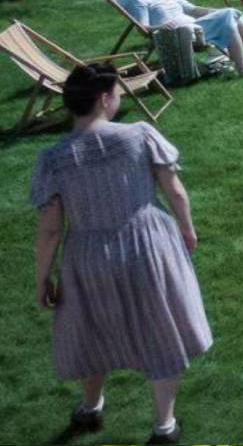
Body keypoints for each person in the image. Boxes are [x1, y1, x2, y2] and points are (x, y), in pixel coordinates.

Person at [33, 64, 211, 445]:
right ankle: (164, 427)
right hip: (148, 245)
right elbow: (175, 191)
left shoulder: (54, 158)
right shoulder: (140, 135)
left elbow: (50, 229)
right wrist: (187, 228)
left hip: (86, 255)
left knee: (90, 330)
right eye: (117, 92)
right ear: (103, 99)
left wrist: (42, 278)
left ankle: (91, 407)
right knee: (160, 330)